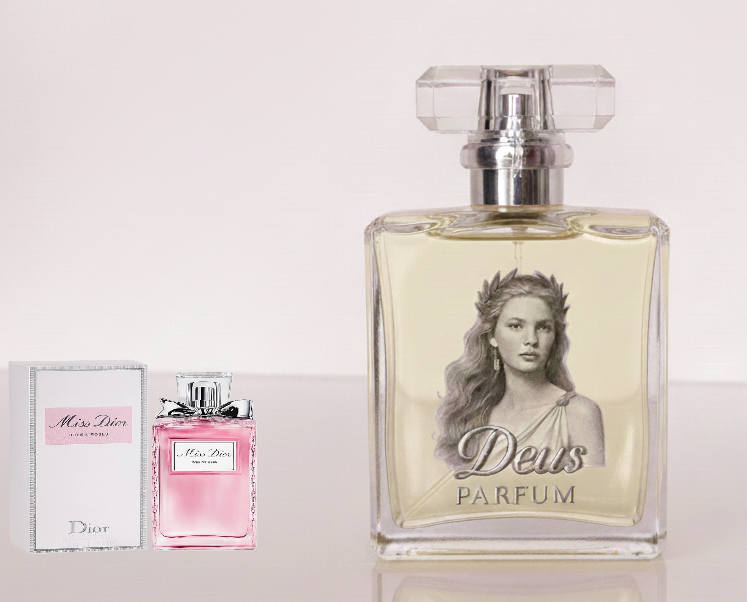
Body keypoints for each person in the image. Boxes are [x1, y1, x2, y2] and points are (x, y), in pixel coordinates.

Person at [435, 269, 605, 472]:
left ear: (555, 337)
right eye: (516, 326)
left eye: (543, 327)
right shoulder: (475, 415)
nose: (531, 340)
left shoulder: (578, 413)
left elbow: (594, 490)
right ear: (492, 336)